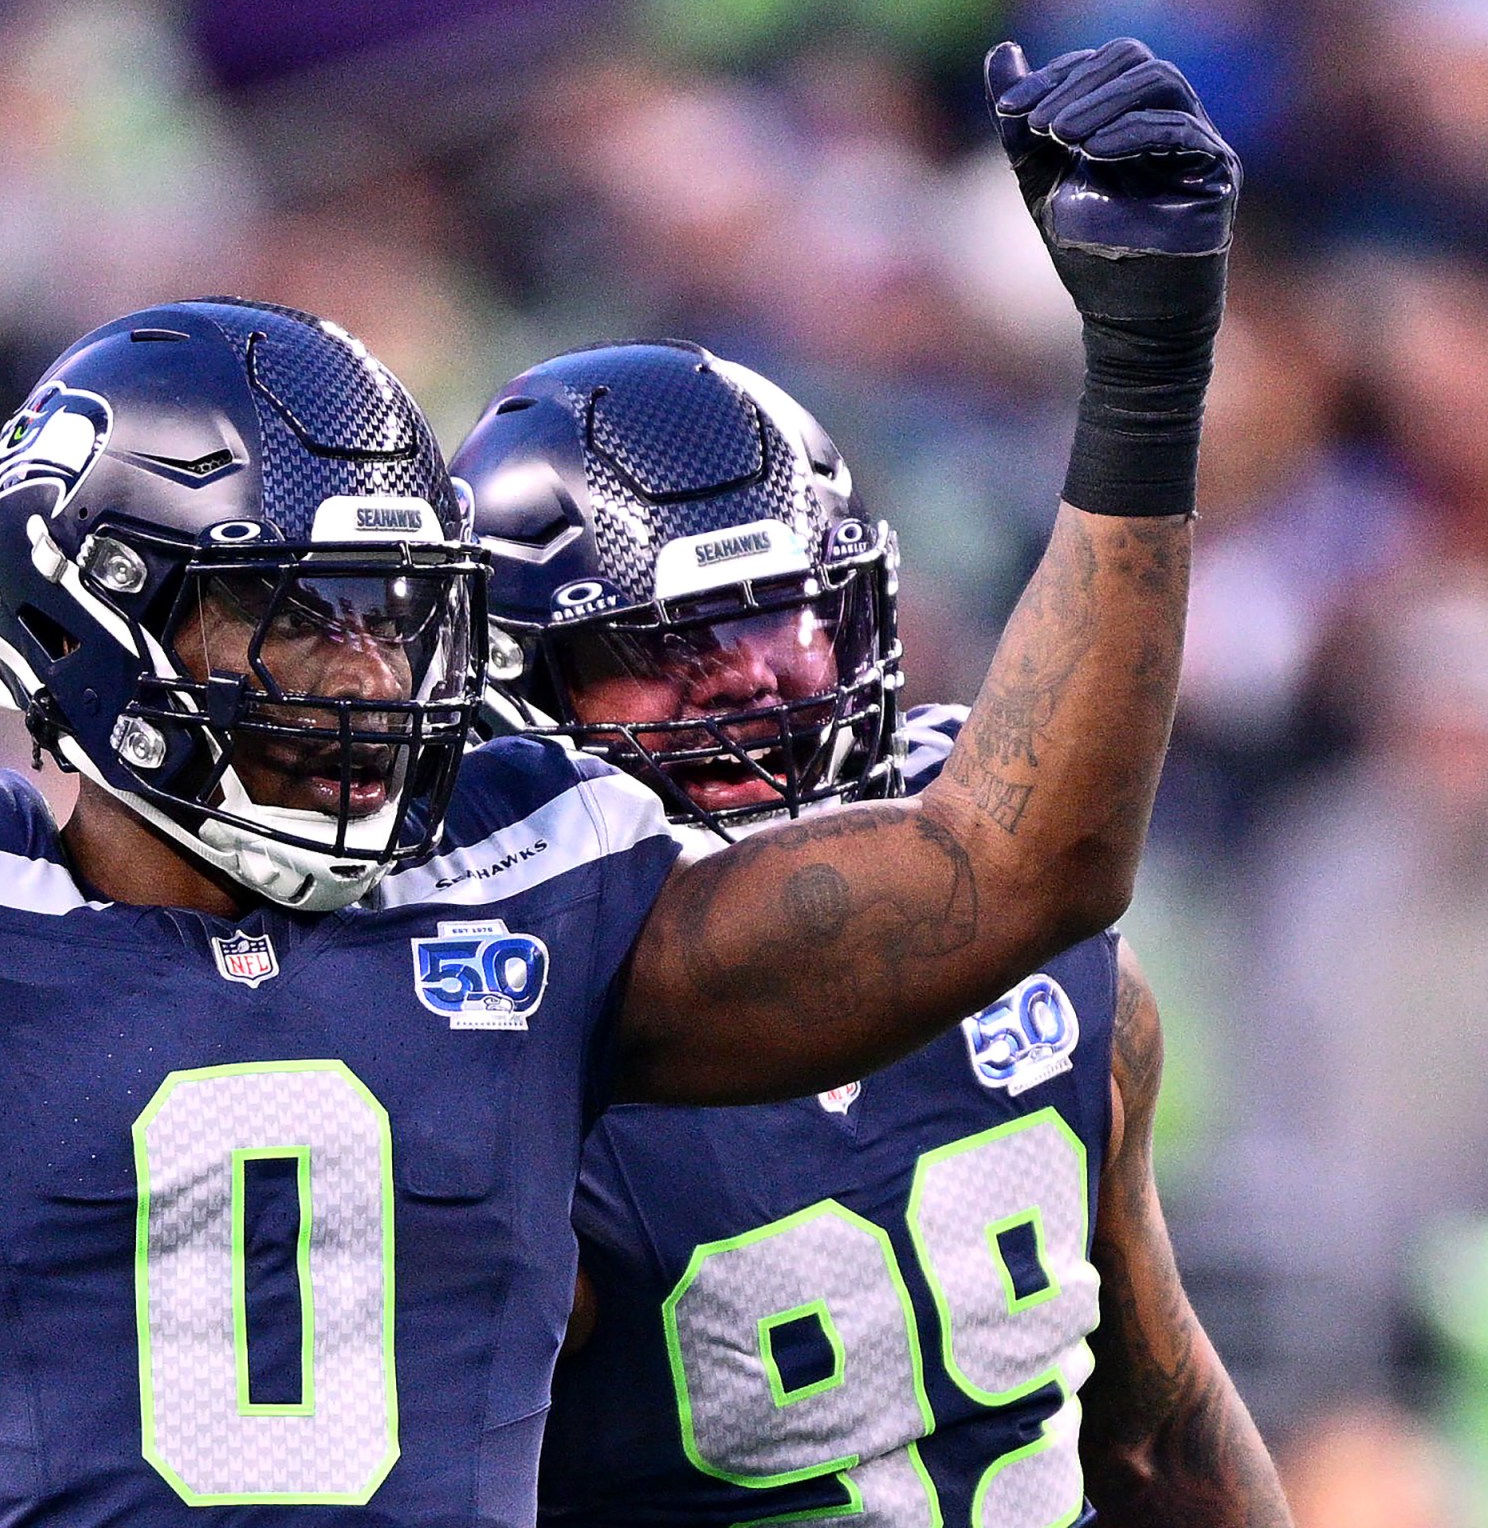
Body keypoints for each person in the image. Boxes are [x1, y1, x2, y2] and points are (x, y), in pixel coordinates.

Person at [0, 6, 1236, 1526]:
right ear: (98, 624)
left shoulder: (525, 886)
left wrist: (1142, 372)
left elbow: (1015, 870)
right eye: (297, 620)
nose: (367, 677)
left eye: (393, 617)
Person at [453, 339, 1290, 1524]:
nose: (749, 682)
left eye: (786, 620)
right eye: (665, 643)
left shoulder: (1029, 937)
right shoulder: (480, 1036)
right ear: (510, 683)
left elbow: (1155, 1433)